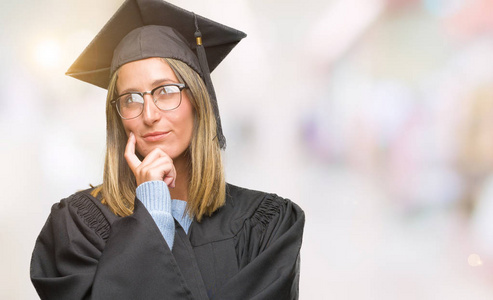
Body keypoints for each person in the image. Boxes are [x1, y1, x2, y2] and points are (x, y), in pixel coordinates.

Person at [30, 0, 304, 299]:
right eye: (131, 99)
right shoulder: (76, 227)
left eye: (166, 91)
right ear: (118, 119)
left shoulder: (267, 225)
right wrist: (152, 213)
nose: (149, 114)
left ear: (198, 101)